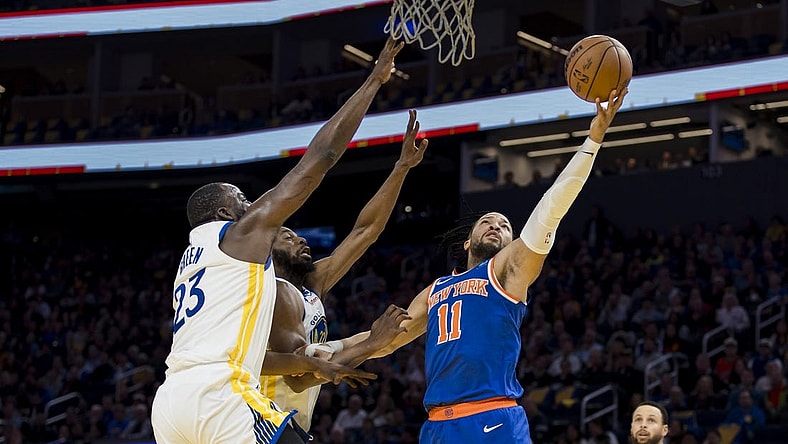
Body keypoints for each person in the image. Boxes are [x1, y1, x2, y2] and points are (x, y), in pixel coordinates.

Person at [151, 37, 405, 444]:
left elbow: (364, 233)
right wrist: (374, 81)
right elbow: (318, 159)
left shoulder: (194, 261)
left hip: (169, 403)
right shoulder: (238, 236)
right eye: (243, 201)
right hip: (220, 396)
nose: (253, 207)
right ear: (223, 214)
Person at [367, 87, 628, 443]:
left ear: (511, 243)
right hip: (437, 426)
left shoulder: (508, 271)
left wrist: (593, 139)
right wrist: (329, 351)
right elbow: (386, 340)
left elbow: (550, 208)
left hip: (492, 418)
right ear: (467, 240)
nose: (496, 226)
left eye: (505, 225)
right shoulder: (436, 289)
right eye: (487, 221)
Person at [260, 109, 428, 431]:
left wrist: (400, 168)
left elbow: (365, 231)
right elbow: (298, 376)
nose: (302, 239)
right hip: (261, 423)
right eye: (288, 237)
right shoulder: (272, 291)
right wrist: (372, 344)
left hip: (290, 424)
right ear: (268, 250)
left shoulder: (311, 286)